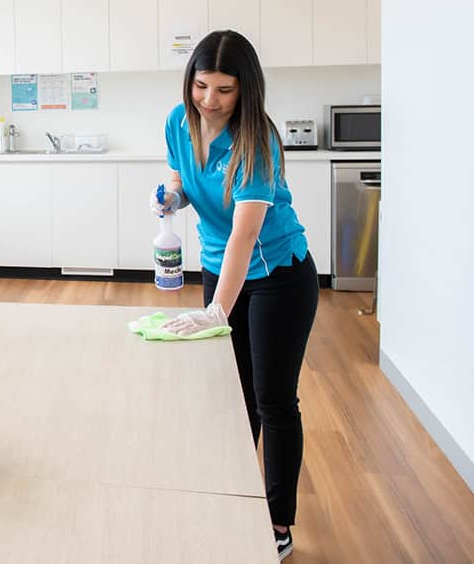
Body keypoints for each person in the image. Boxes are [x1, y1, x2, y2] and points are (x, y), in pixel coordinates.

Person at [150, 29, 317, 561]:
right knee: (230, 397)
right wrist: (171, 196)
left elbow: (246, 234)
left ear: (245, 88)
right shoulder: (179, 120)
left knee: (273, 400)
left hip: (277, 277)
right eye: (202, 85)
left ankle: (277, 523)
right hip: (218, 268)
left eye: (224, 89)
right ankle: (232, 501)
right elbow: (179, 177)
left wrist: (215, 313)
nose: (210, 100)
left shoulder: (256, 139)